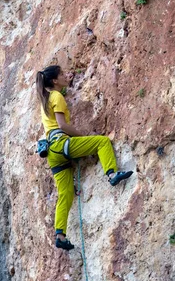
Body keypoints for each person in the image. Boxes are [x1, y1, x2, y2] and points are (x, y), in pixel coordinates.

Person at [36, 65, 133, 251]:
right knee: (102, 142)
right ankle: (112, 174)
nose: (66, 76)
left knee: (65, 193)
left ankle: (60, 234)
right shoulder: (56, 96)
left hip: (52, 154)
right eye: (62, 74)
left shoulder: (45, 100)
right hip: (61, 144)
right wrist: (81, 136)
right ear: (55, 80)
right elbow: (63, 126)